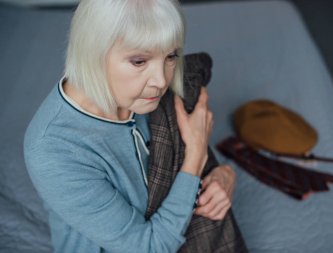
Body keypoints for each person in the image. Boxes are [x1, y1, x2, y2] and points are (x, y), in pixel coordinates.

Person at [24, 0, 247, 252]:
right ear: (93, 52)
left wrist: (224, 175)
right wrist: (195, 158)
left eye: (171, 56)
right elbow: (149, 247)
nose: (161, 80)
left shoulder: (148, 98)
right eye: (139, 61)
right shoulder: (52, 151)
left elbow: (182, 156)